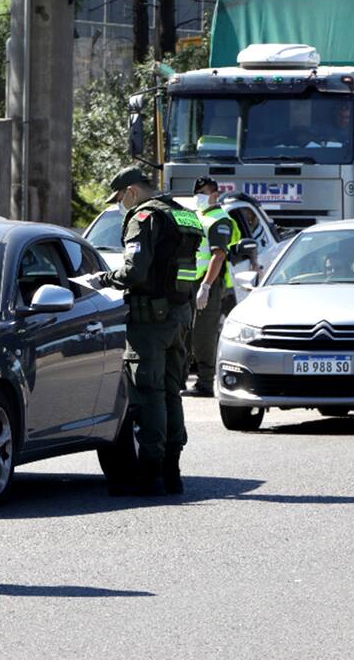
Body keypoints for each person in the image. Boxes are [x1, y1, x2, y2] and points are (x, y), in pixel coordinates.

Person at [80, 166, 203, 495]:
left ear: (131, 191)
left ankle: (150, 476)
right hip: (180, 316)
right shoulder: (183, 214)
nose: (120, 204)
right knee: (172, 392)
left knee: (149, 395)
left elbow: (134, 272)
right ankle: (172, 473)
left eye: (120, 197)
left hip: (150, 322)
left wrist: (102, 279)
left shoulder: (144, 217)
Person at [184, 176, 241, 398]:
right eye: (197, 194)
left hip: (210, 283)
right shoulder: (197, 216)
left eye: (203, 193)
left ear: (215, 195)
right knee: (187, 332)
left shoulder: (220, 220)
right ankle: (182, 378)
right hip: (191, 282)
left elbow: (219, 255)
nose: (199, 197)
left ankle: (206, 382)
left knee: (203, 334)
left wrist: (206, 286)